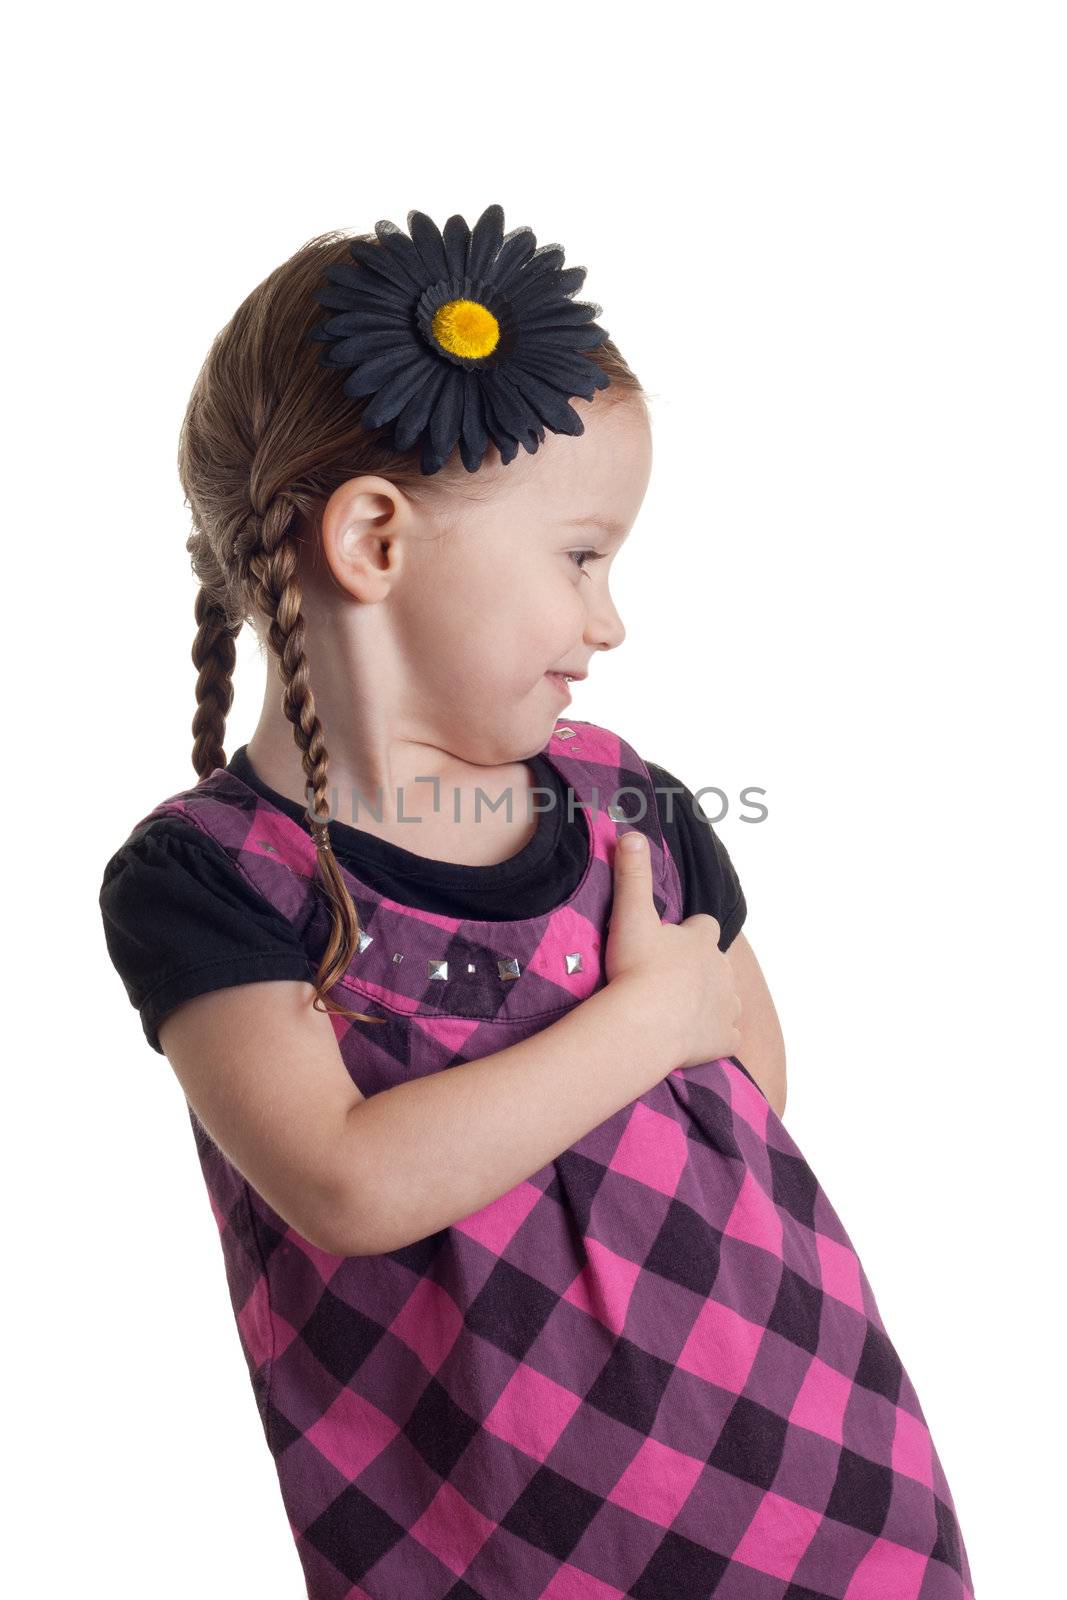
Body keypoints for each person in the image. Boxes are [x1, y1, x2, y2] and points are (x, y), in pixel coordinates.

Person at [98, 204, 975, 1599]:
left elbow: (753, 1092)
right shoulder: (213, 881)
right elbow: (348, 1182)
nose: (608, 620)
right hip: (494, 1527)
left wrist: (678, 1020)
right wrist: (646, 1017)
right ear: (373, 540)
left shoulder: (627, 802)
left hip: (803, 1452)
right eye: (580, 558)